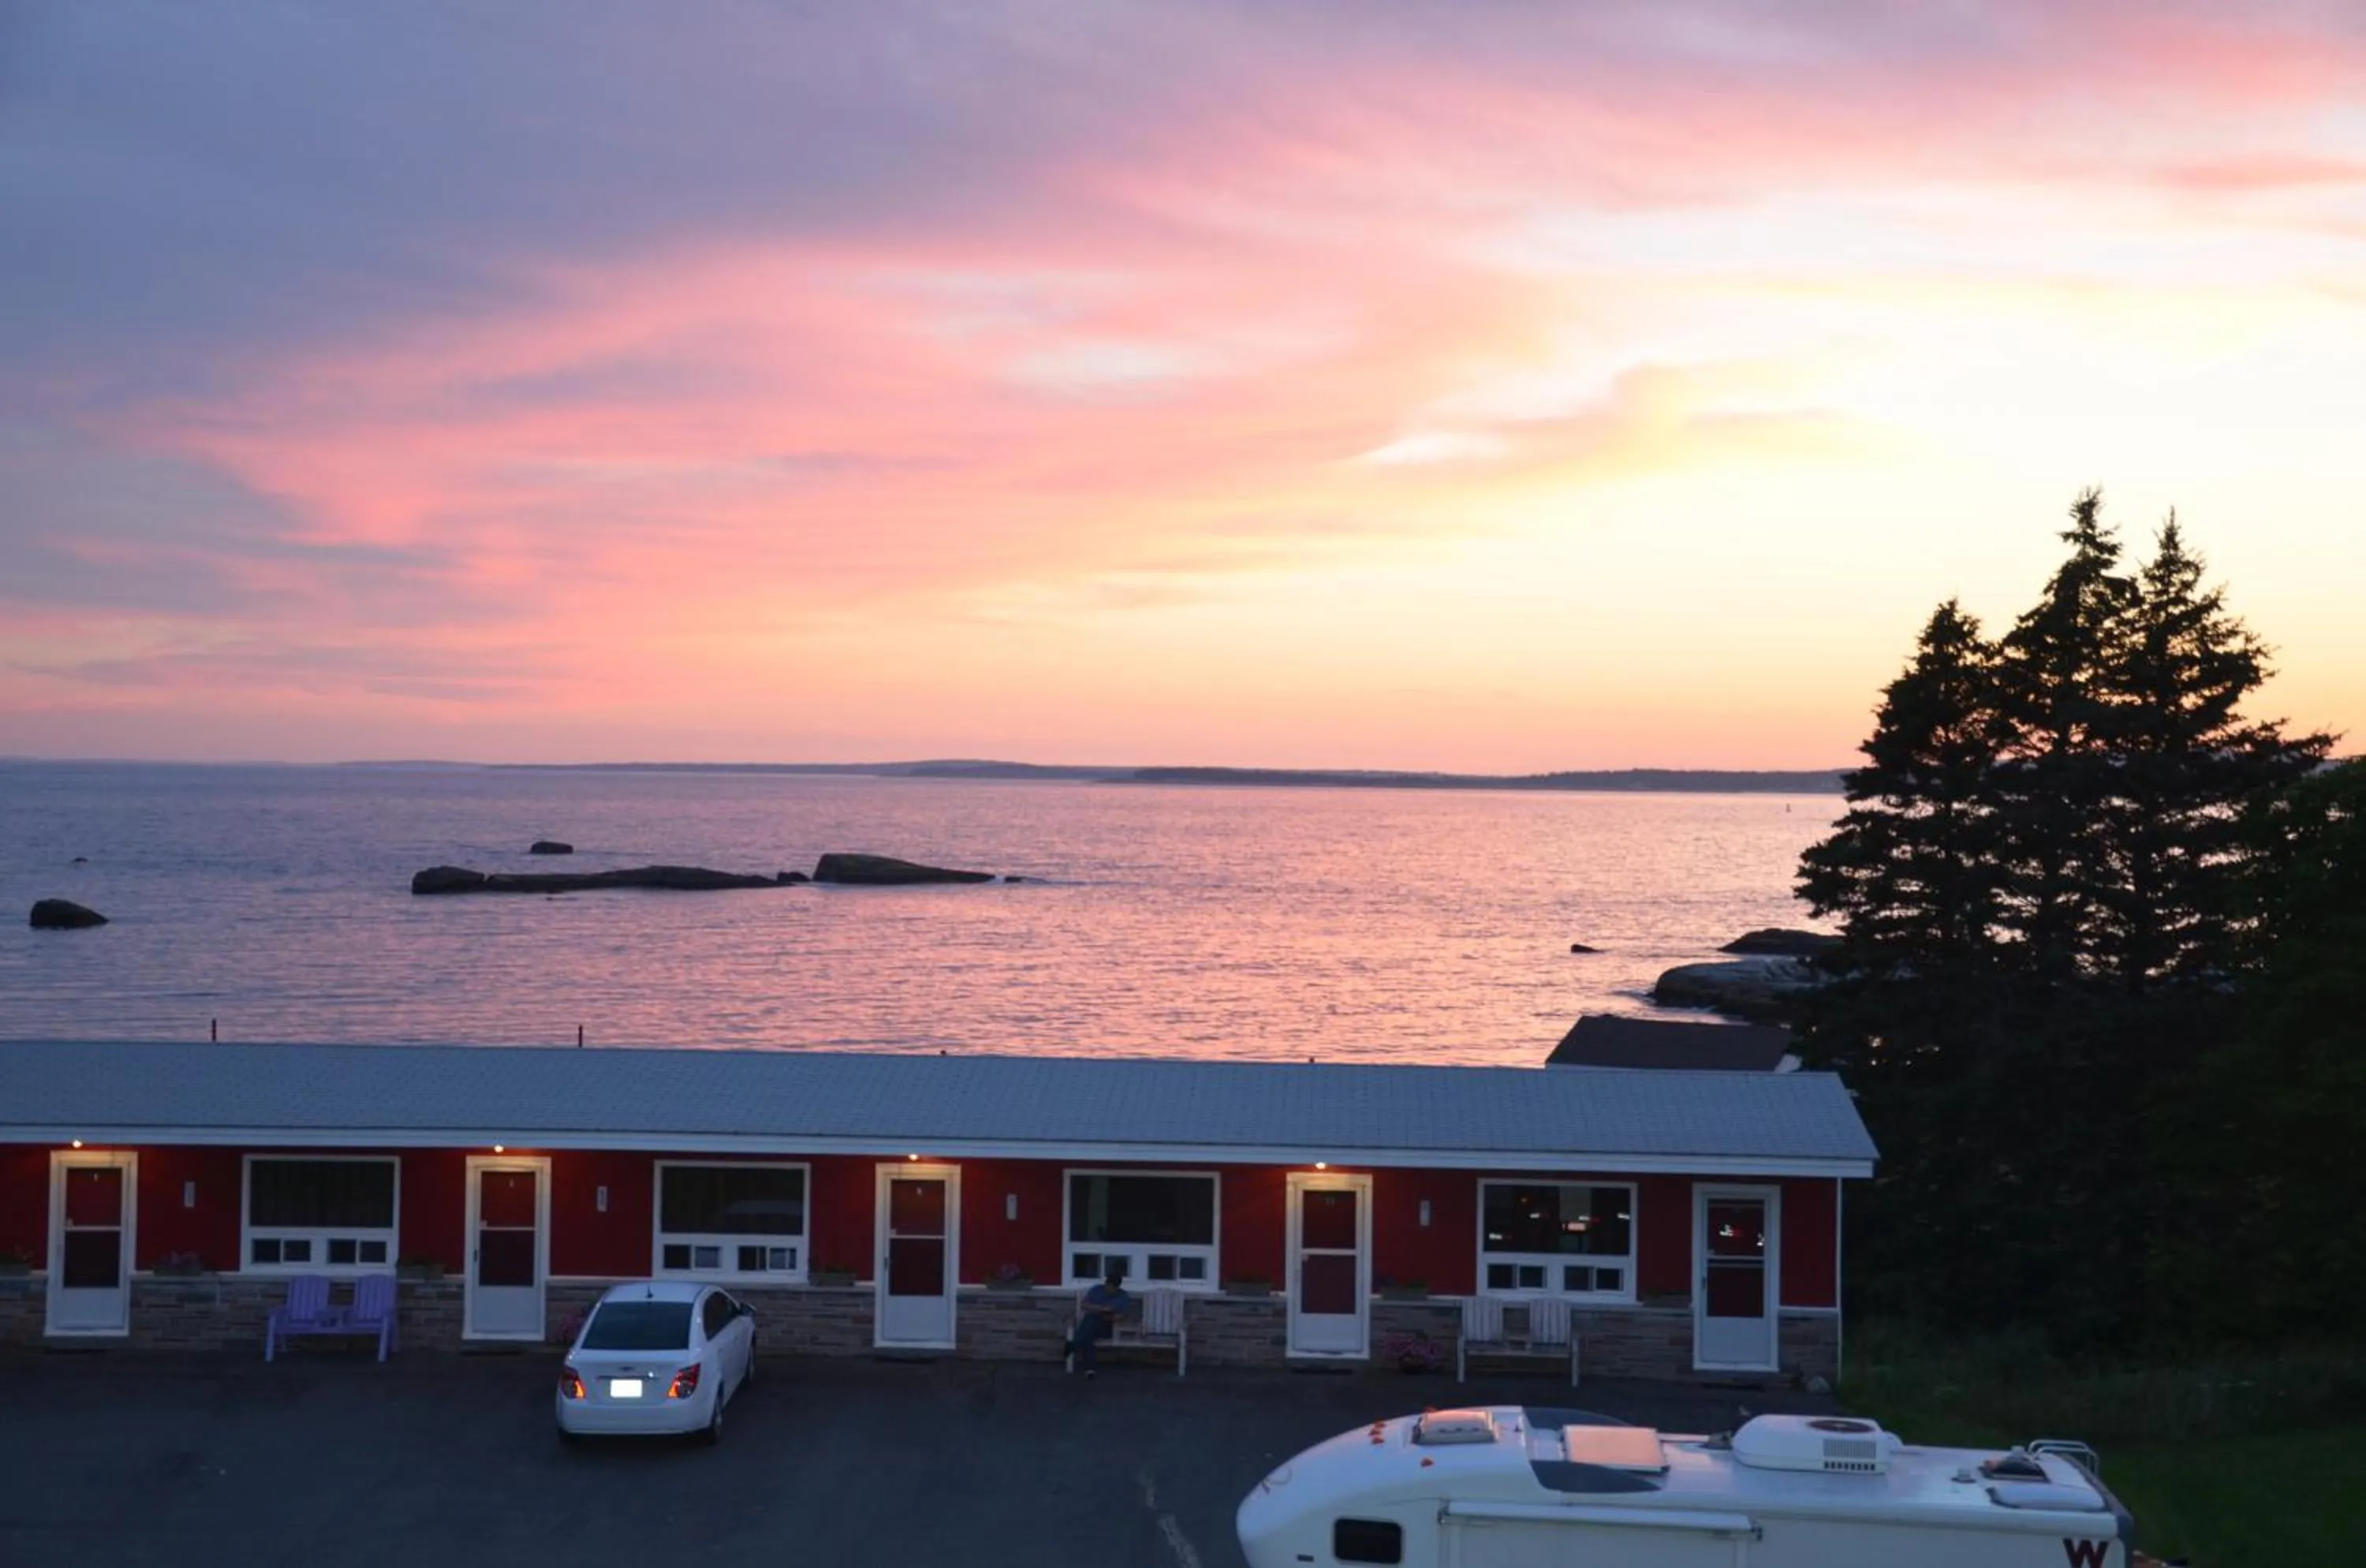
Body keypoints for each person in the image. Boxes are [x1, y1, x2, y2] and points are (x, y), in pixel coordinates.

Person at [1064, 1266, 1132, 1378]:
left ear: (1117, 1287)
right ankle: (1090, 1370)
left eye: (1112, 1288)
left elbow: (1123, 1316)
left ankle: (1074, 1345)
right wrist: (1101, 1309)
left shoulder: (1122, 1296)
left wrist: (1111, 1316)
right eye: (1107, 1286)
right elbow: (1084, 1305)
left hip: (1107, 1326)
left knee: (1091, 1323)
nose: (1109, 1289)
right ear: (1105, 1283)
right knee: (1089, 1335)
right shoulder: (1096, 1290)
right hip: (1091, 1322)